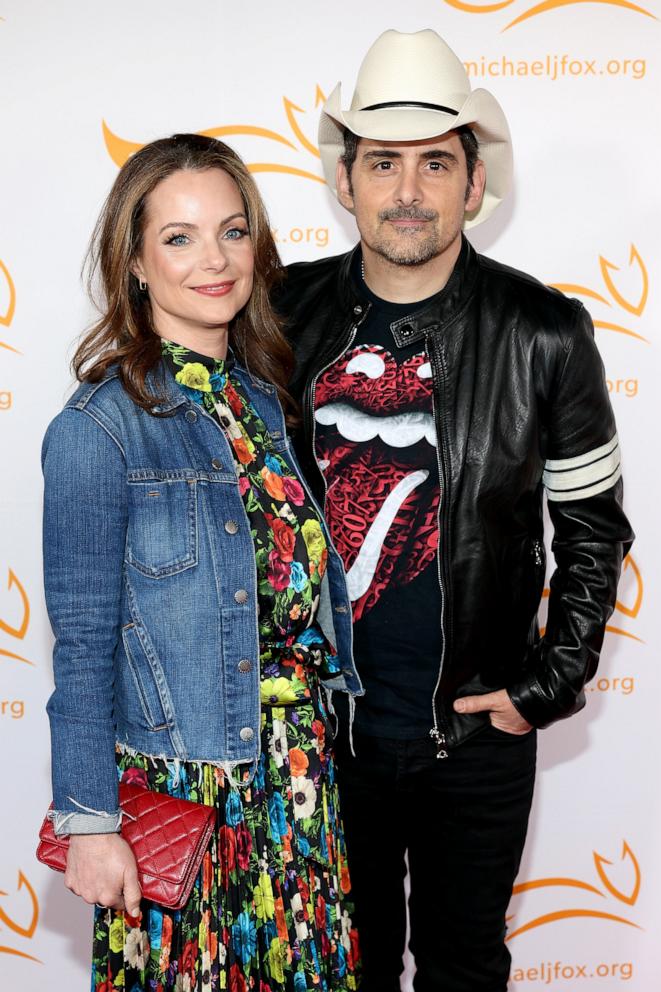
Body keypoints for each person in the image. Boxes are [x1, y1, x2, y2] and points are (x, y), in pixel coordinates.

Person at [274, 29, 634, 992]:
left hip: (471, 740)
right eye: (381, 163)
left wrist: (546, 687)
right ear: (343, 181)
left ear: (474, 184)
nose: (407, 191)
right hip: (321, 735)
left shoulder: (546, 332)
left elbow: (593, 530)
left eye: (435, 163)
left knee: (464, 970)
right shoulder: (277, 316)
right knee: (338, 971)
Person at [42, 133, 362, 992]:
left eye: (232, 231)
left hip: (297, 783)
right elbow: (78, 645)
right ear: (136, 262)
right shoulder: (98, 429)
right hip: (186, 793)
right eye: (179, 238)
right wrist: (89, 823)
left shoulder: (262, 402)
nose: (213, 260)